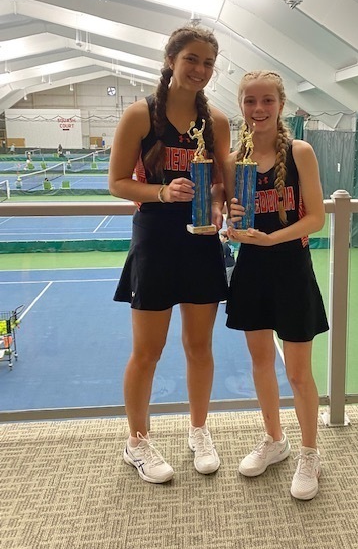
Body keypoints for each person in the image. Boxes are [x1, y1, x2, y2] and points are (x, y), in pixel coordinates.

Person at [109, 25, 230, 484]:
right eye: (192, 59)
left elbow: (220, 183)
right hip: (155, 242)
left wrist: (217, 206)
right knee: (148, 351)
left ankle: (198, 431)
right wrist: (161, 190)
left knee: (200, 347)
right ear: (171, 61)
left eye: (207, 63)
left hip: (200, 242)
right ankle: (136, 442)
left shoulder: (216, 122)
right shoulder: (140, 116)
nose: (199, 69)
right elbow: (118, 182)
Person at [224, 70, 329, 501]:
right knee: (261, 361)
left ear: (281, 105)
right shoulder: (234, 160)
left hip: (290, 266)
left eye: (267, 100)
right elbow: (231, 220)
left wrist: (273, 238)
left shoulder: (300, 152)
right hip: (250, 269)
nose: (258, 109)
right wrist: (230, 225)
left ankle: (309, 452)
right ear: (242, 107)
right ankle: (275, 439)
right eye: (250, 101)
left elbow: (317, 218)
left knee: (298, 371)